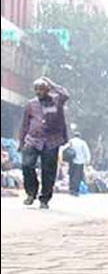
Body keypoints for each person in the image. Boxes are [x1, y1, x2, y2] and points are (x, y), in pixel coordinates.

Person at [19, 77, 70, 209]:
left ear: (47, 90)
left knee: (48, 171)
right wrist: (21, 142)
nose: (38, 92)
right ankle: (31, 193)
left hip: (52, 141)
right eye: (36, 89)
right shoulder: (31, 104)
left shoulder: (56, 100)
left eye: (41, 89)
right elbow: (25, 125)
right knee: (26, 165)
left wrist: (51, 83)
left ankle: (45, 199)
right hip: (33, 139)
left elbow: (65, 94)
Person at [65, 131, 92, 197]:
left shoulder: (70, 141)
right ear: (79, 136)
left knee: (71, 175)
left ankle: (71, 190)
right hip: (80, 162)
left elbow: (65, 149)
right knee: (78, 177)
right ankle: (76, 191)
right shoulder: (82, 142)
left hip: (71, 161)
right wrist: (87, 161)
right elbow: (86, 152)